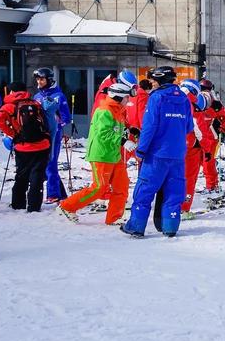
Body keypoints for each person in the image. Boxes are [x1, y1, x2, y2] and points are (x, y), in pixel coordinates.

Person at [122, 67, 194, 236]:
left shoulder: (156, 97)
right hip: (177, 154)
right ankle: (170, 227)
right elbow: (189, 126)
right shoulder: (183, 98)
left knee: (144, 191)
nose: (152, 83)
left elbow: (149, 127)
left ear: (161, 80)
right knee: (174, 192)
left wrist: (141, 150)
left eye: (154, 80)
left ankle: (136, 226)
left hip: (156, 155)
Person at [61, 81, 134, 224]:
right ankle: (67, 206)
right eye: (126, 97)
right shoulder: (104, 110)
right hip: (101, 155)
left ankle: (114, 217)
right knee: (99, 188)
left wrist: (131, 130)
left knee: (122, 185)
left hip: (114, 155)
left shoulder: (118, 110)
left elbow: (118, 128)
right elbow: (104, 134)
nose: (128, 100)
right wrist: (123, 142)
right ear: (118, 97)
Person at [0, 82, 52, 212]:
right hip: (42, 145)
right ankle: (34, 206)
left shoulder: (9, 106)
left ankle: (18, 204)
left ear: (11, 92)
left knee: (22, 175)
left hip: (23, 146)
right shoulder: (35, 103)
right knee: (37, 176)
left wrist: (13, 133)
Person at [33, 68, 73, 203]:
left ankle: (53, 194)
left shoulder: (58, 95)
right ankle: (60, 192)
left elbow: (66, 117)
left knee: (51, 164)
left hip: (53, 135)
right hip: (40, 134)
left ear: (49, 80)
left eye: (42, 79)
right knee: (43, 164)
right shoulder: (37, 96)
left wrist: (57, 124)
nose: (39, 82)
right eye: (38, 79)